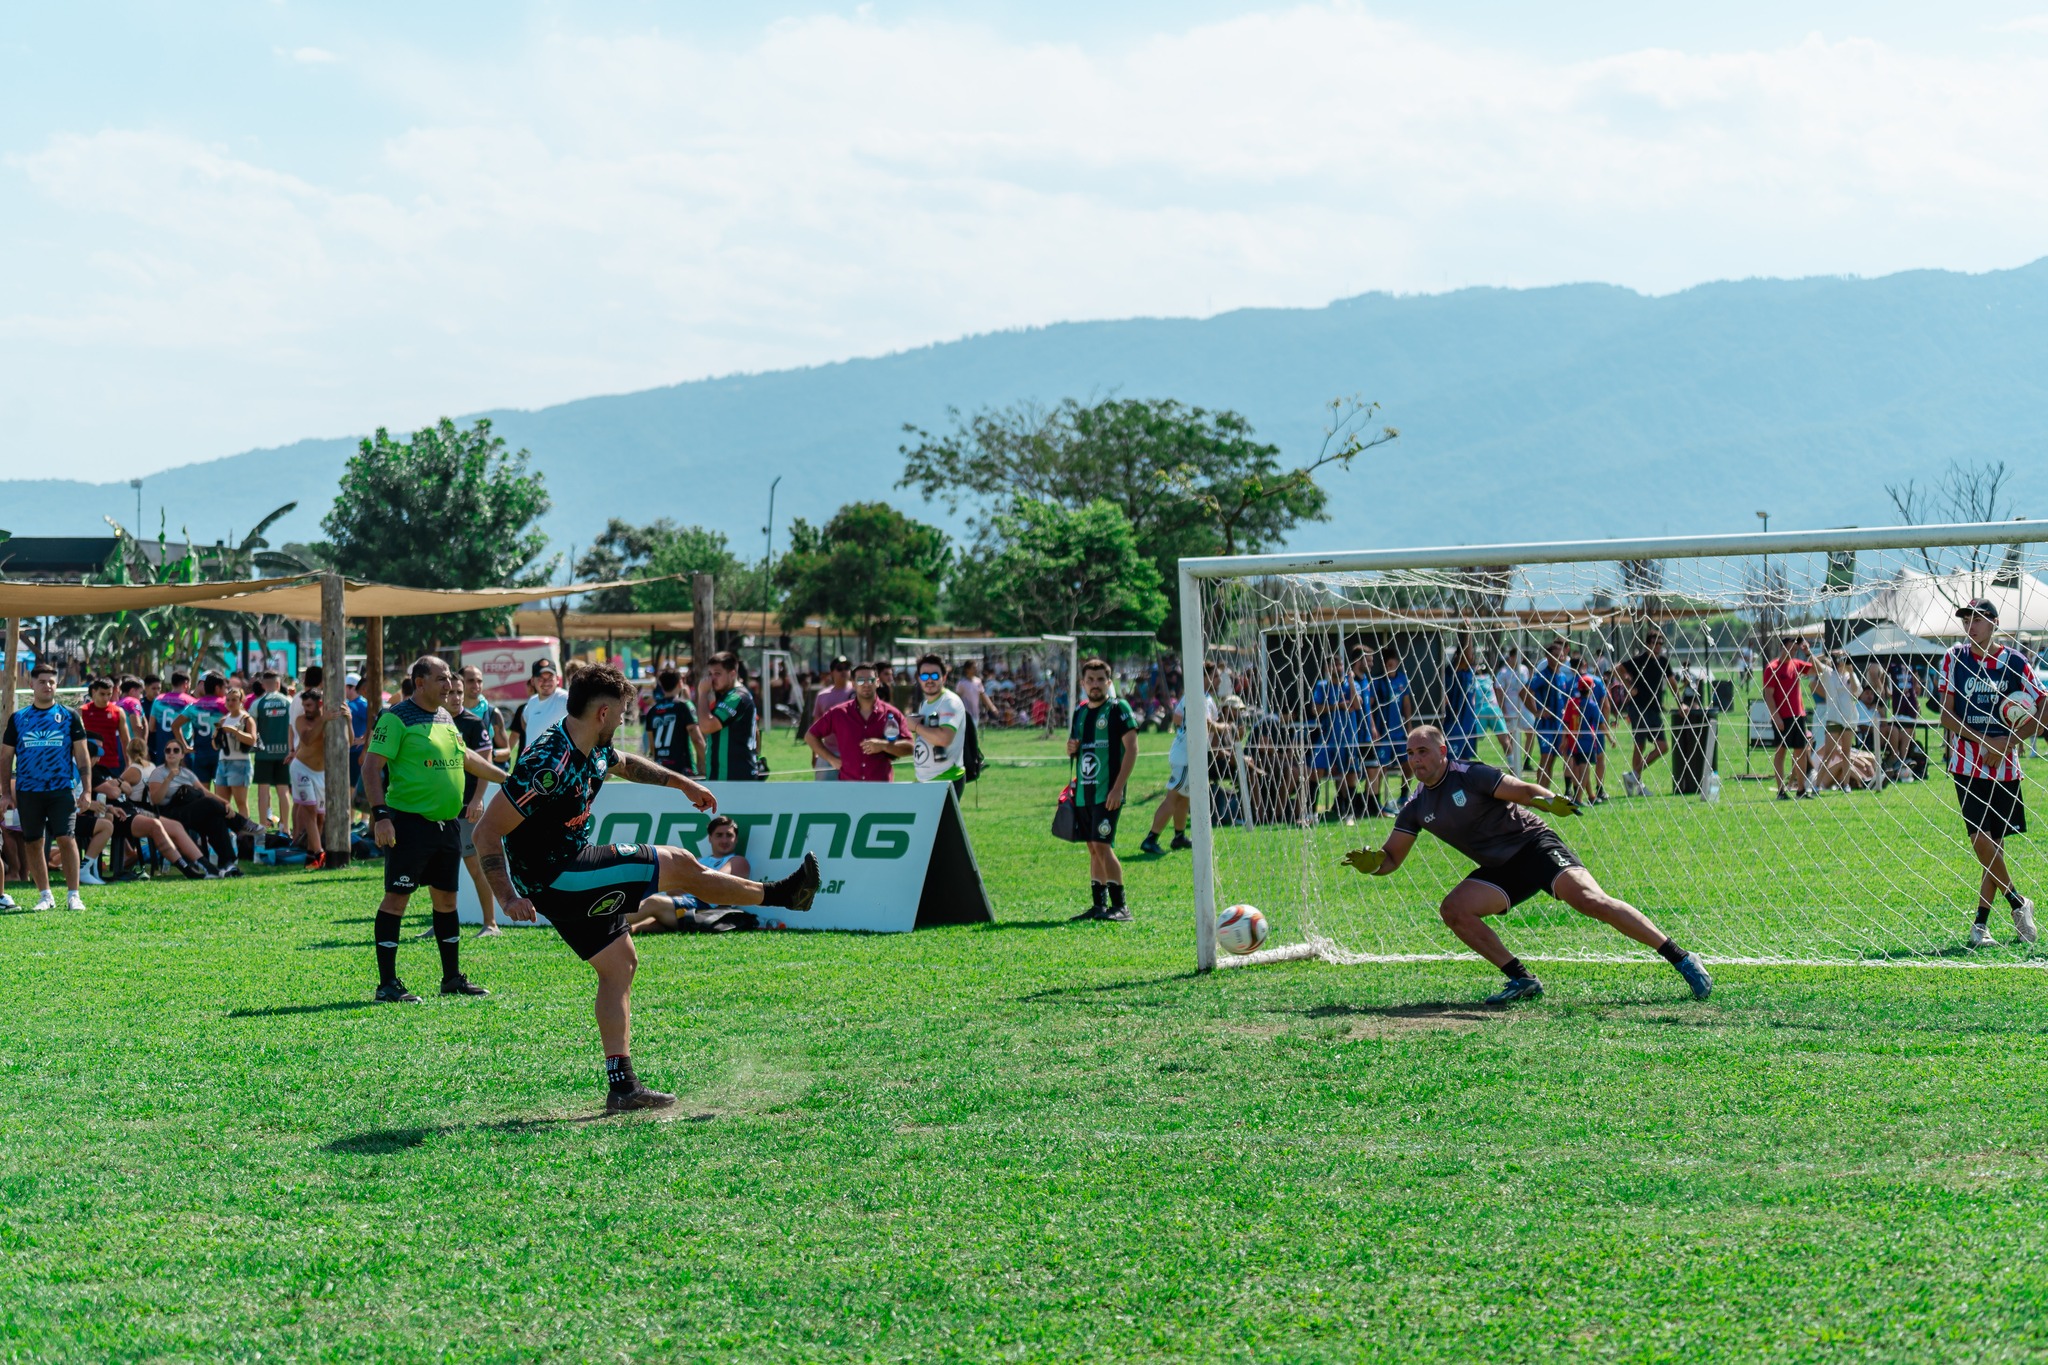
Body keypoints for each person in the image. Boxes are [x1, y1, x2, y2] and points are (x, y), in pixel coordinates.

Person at [473, 665, 823, 1112]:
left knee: (619, 964)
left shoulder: (592, 745)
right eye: (620, 715)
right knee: (678, 862)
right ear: (602, 712)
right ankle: (782, 895)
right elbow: (486, 832)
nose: (623, 722)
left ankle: (623, 1087)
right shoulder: (547, 762)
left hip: (563, 876)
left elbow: (627, 764)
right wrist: (506, 897)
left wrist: (681, 782)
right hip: (559, 877)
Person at [1341, 725, 1713, 1005]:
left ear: (1442, 750)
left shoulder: (1469, 774)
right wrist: (1373, 864)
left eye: (1422, 751)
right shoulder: (1416, 806)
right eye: (1410, 754)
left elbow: (1520, 789)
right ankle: (1521, 980)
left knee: (1589, 900)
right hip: (1500, 870)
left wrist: (1549, 800)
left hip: (1533, 845)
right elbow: (1391, 859)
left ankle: (1680, 958)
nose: (1415, 760)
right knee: (1454, 909)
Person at [362, 656, 511, 1003]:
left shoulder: (445, 717)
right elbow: (371, 768)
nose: (449, 685)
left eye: (449, 678)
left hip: (447, 826)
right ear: (419, 683)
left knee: (446, 901)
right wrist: (381, 816)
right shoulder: (395, 717)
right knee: (396, 900)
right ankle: (387, 985)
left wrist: (509, 779)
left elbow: (467, 758)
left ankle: (452, 978)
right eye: (441, 678)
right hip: (408, 825)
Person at [1936, 599, 2039, 947]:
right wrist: (1985, 741)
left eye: (1978, 619)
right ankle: (2017, 902)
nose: (1971, 625)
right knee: (1981, 840)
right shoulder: (1954, 658)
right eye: (1967, 620)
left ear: (1994, 623)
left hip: (2006, 767)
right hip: (1967, 764)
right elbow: (1946, 716)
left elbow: (2043, 706)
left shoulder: (2014, 662)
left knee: (1993, 848)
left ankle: (1980, 927)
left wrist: (2007, 742)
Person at [0, 664, 92, 911]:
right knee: (33, 841)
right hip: (28, 791)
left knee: (66, 837)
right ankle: (45, 895)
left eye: (52, 681)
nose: (48, 685)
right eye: (42, 681)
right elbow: (6, 757)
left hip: (61, 788)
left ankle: (74, 895)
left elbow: (82, 757)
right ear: (31, 685)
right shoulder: (19, 719)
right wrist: (6, 794)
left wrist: (87, 790)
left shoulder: (70, 716)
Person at [1067, 657, 1139, 921]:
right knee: (1093, 847)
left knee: (1102, 844)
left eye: (1100, 680)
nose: (1095, 685)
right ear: (1083, 683)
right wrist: (1071, 749)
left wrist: (1118, 788)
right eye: (1090, 680)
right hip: (1085, 791)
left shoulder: (1119, 708)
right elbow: (1079, 746)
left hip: (1108, 792)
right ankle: (1099, 905)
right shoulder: (1080, 712)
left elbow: (1132, 749)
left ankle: (1121, 906)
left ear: (1109, 683)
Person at [1142, 662, 1222, 855]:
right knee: (1173, 798)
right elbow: (1207, 724)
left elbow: (1177, 719)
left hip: (1185, 753)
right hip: (1187, 756)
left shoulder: (1197, 697)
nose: (1219, 679)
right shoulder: (1200, 699)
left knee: (1184, 797)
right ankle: (1151, 839)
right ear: (1206, 677)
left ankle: (1179, 837)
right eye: (1216, 675)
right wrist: (1225, 728)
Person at [453, 665, 509, 936]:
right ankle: (441, 922)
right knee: (440, 870)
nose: (455, 697)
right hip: (440, 807)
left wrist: (477, 799)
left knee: (476, 866)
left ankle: (491, 923)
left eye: (459, 692)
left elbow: (485, 765)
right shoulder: (434, 721)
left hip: (466, 807)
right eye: (451, 692)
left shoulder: (475, 723)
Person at [631, 814, 752, 933]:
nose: (724, 840)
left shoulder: (737, 861)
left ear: (736, 839)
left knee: (653, 902)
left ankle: (612, 923)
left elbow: (713, 885)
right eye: (719, 835)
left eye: (729, 835)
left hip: (706, 909)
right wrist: (694, 885)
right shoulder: (700, 861)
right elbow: (672, 890)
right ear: (710, 838)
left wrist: (687, 885)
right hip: (686, 904)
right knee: (636, 926)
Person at [145, 740, 244, 875]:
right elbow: (155, 800)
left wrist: (226, 803)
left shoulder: (187, 773)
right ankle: (241, 824)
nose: (171, 753)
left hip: (189, 811)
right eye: (168, 750)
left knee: (215, 818)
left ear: (182, 755)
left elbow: (205, 792)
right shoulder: (158, 772)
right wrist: (168, 779)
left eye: (175, 750)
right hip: (168, 814)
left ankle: (227, 864)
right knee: (208, 803)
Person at [805, 662, 909, 781]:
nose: (866, 684)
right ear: (853, 684)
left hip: (880, 786)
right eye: (860, 681)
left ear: (878, 682)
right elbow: (810, 736)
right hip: (847, 787)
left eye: (870, 680)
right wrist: (832, 759)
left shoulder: (892, 714)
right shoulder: (839, 713)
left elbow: (909, 747)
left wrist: (883, 745)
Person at [1307, 652, 1365, 822]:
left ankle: (1349, 813)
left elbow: (1357, 704)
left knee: (1350, 775)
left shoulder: (1351, 685)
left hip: (1348, 738)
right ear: (1327, 668)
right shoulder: (1322, 686)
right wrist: (1336, 706)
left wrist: (1352, 681)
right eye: (1333, 665)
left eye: (1339, 664)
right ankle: (1312, 813)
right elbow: (1315, 709)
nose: (1337, 668)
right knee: (1315, 771)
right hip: (1327, 738)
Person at [1620, 629, 1677, 797]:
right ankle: (1637, 785)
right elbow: (1618, 669)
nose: (1658, 646)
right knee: (1640, 745)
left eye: (1660, 643)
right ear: (1648, 644)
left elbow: (1672, 682)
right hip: (1638, 708)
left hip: (1654, 709)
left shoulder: (1663, 662)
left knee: (1663, 747)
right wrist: (1629, 687)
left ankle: (1634, 775)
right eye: (1655, 643)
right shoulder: (1639, 660)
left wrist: (1680, 703)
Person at [1763, 636, 1817, 800]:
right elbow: (1769, 695)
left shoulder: (1797, 665)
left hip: (1798, 716)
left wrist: (1808, 652)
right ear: (1782, 647)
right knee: (1781, 753)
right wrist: (1776, 717)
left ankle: (1801, 790)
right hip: (1782, 717)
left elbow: (1817, 669)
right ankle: (1781, 791)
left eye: (1795, 649)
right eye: (1790, 648)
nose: (1793, 652)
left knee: (1800, 752)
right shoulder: (1772, 668)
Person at [907, 654, 968, 789]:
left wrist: (915, 726)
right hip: (926, 779)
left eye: (935, 676)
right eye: (924, 676)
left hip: (946, 778)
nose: (929, 680)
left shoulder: (949, 702)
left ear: (944, 677)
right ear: (918, 678)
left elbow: (944, 739)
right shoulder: (925, 704)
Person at [696, 651, 760, 781]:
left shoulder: (736, 697)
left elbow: (707, 727)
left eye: (717, 674)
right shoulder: (730, 695)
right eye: (710, 674)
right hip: (728, 776)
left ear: (732, 674)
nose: (712, 679)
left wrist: (702, 694)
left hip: (732, 777)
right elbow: (756, 731)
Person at [248, 670, 295, 831]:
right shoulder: (289, 701)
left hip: (263, 755)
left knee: (263, 792)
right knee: (283, 792)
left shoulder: (257, 703)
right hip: (284, 753)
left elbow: (251, 728)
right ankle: (285, 827)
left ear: (263, 685)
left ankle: (261, 827)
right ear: (278, 683)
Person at [290, 689, 330, 867]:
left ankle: (310, 856)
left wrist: (348, 720)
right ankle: (320, 854)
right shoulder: (301, 720)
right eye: (304, 705)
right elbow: (307, 740)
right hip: (301, 769)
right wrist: (323, 719)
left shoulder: (328, 719)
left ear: (319, 704)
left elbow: (349, 741)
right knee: (310, 810)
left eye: (309, 705)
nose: (305, 709)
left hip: (321, 773)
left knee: (321, 817)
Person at [641, 668, 704, 778]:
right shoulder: (684, 706)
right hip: (682, 769)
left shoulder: (652, 711)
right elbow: (697, 739)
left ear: (661, 686)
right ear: (680, 683)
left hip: (661, 770)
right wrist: (707, 764)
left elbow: (652, 746)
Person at [213, 680, 259, 817]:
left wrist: (235, 731)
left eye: (234, 700)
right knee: (222, 803)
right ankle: (227, 834)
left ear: (241, 701)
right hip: (223, 762)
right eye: (228, 700)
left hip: (240, 763)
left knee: (241, 803)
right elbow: (215, 746)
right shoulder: (223, 720)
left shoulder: (246, 719)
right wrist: (216, 734)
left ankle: (244, 835)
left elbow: (252, 740)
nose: (230, 703)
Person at [806, 657, 856, 778]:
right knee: (824, 793)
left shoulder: (858, 692)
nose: (844, 671)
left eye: (847, 668)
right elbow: (815, 728)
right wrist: (815, 754)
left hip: (854, 752)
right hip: (828, 751)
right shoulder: (823, 696)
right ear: (832, 672)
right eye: (839, 668)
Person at [79, 676, 127, 789]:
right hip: (89, 764)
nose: (106, 698)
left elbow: (125, 740)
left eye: (109, 694)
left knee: (114, 797)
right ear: (94, 692)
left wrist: (128, 763)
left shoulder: (118, 712)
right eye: (102, 694)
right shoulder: (82, 711)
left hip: (111, 764)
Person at [1492, 647, 1531, 773]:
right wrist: (1503, 710)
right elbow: (1499, 691)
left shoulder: (1524, 669)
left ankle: (1527, 761)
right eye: (1517, 657)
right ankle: (1513, 765)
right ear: (1511, 657)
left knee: (1531, 732)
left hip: (1524, 708)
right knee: (1512, 737)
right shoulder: (1503, 672)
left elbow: (1527, 688)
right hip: (1510, 709)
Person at [1443, 642, 1481, 764]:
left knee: (1466, 763)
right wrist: (1467, 631)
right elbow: (1466, 656)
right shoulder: (1451, 672)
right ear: (1458, 656)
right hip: (1453, 725)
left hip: (1468, 724)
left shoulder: (1470, 672)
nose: (1471, 658)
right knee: (1452, 763)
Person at [148, 670, 194, 767]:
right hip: (181, 751)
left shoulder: (158, 700)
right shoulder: (190, 701)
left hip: (163, 750)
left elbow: (151, 727)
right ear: (186, 684)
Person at [520, 659, 569, 748]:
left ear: (557, 679)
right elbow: (524, 722)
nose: (546, 682)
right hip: (530, 761)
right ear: (532, 681)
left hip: (556, 761)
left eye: (550, 678)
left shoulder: (565, 699)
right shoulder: (532, 701)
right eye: (541, 679)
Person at [344, 674, 370, 797]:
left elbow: (373, 723)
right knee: (350, 784)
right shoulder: (348, 703)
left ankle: (361, 816)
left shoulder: (362, 704)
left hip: (358, 751)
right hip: (349, 750)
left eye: (345, 687)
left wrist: (363, 740)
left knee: (355, 784)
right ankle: (353, 815)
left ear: (351, 688)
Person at [956, 659, 986, 727]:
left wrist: (992, 707)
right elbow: (957, 698)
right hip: (965, 713)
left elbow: (983, 695)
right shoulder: (961, 683)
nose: (976, 669)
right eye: (974, 668)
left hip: (975, 712)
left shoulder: (978, 681)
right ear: (967, 669)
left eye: (976, 668)